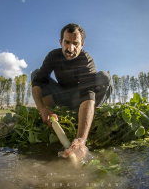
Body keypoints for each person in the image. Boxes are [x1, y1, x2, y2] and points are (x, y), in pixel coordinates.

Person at [31, 23, 112, 158]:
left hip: (80, 98)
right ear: (61, 42)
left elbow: (87, 95)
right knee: (36, 74)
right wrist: (42, 109)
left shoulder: (86, 61)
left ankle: (92, 112)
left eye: (76, 43)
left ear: (82, 44)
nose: (70, 48)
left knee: (104, 77)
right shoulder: (53, 56)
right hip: (62, 96)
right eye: (67, 42)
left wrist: (80, 141)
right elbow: (38, 82)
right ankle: (49, 111)